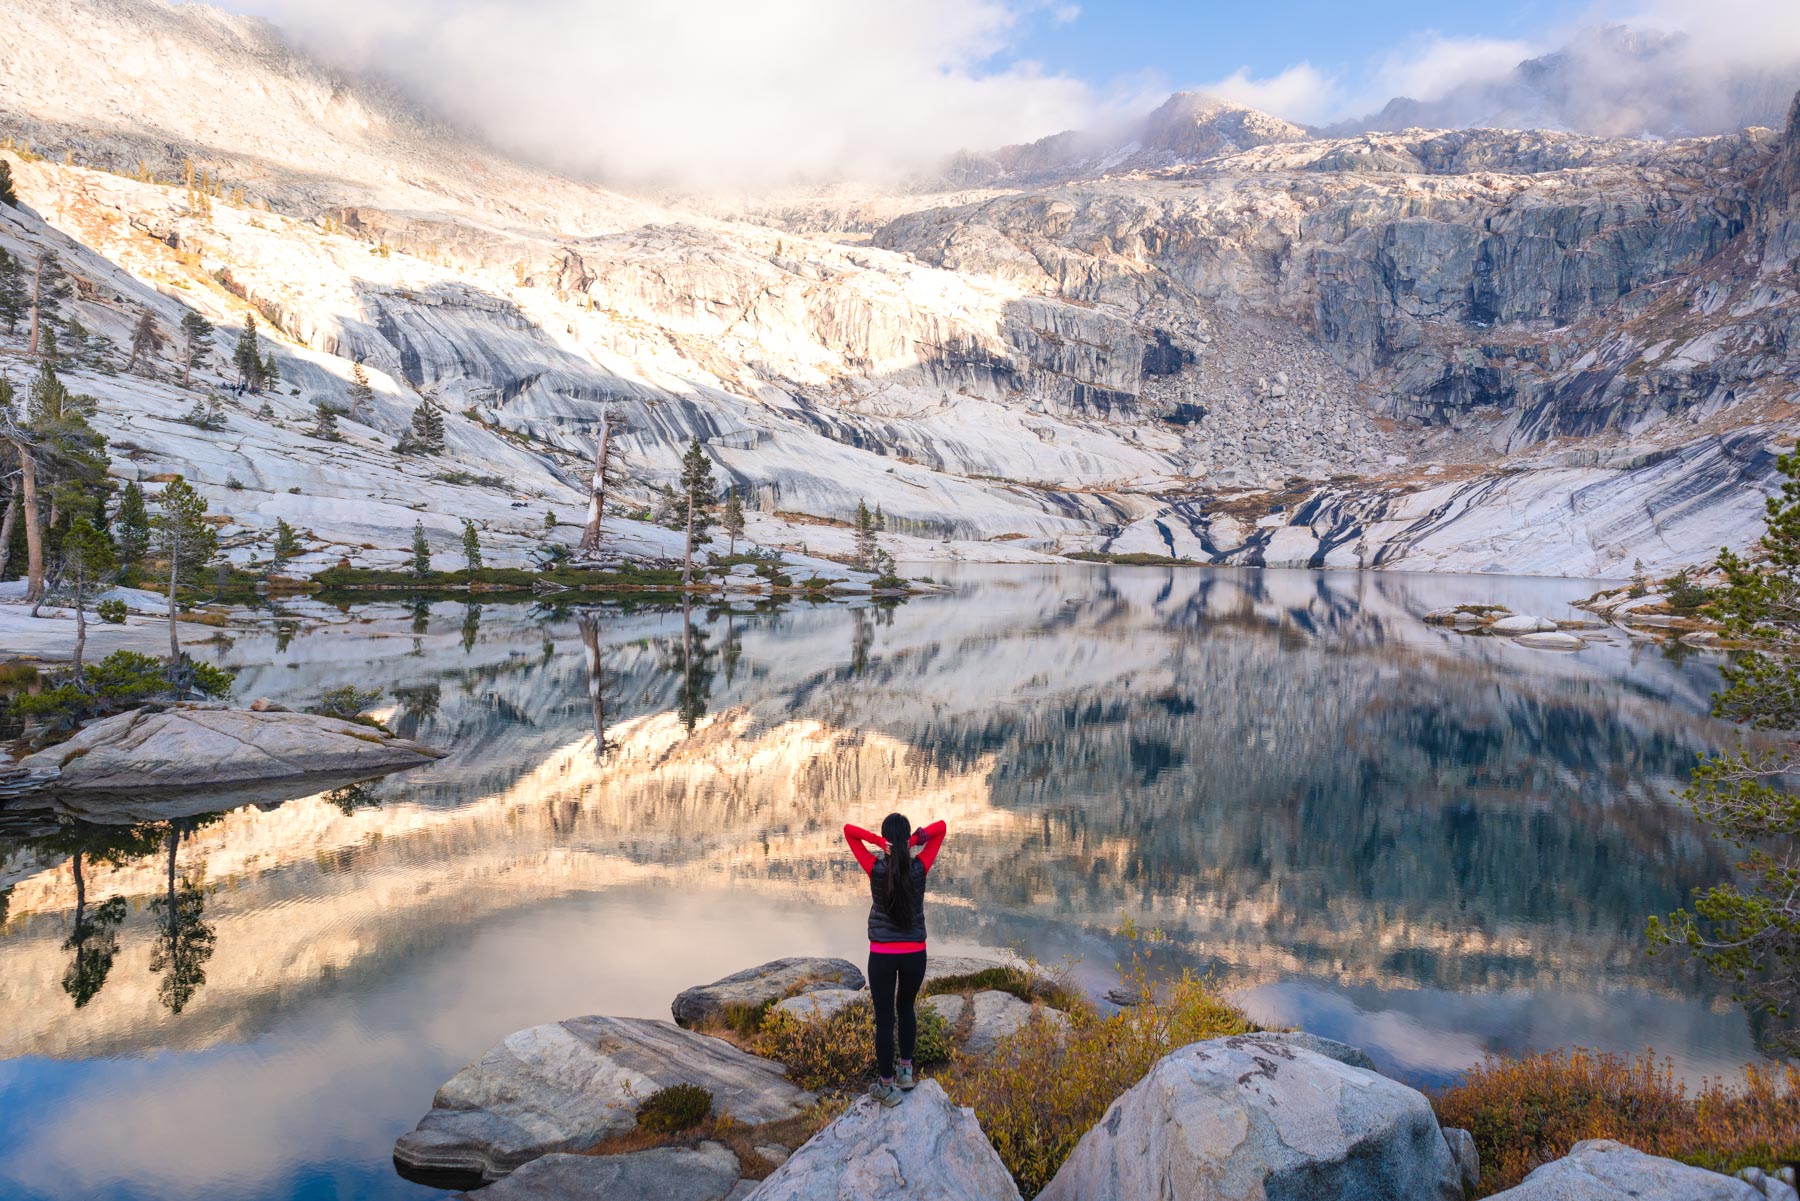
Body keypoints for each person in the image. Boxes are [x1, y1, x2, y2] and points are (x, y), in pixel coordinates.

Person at [843, 812, 947, 1107]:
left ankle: (886, 1088)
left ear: (887, 839)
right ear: (907, 839)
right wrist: (913, 842)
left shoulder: (875, 868)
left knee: (885, 1020)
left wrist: (879, 843)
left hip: (882, 956)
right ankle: (905, 1072)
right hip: (915, 953)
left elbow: (849, 830)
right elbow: (941, 829)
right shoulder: (920, 868)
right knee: (907, 1009)